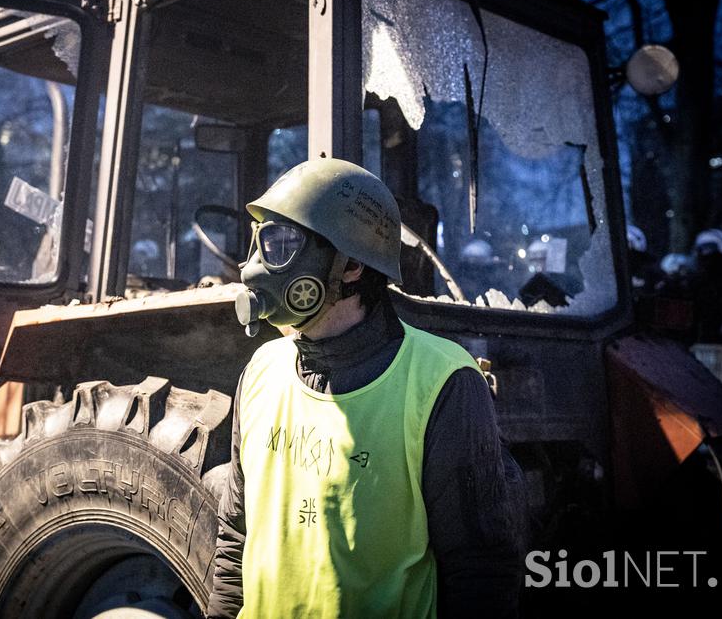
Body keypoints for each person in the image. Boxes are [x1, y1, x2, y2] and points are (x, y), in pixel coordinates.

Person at [209, 159, 524, 618]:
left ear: (351, 264)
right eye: (260, 242)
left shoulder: (442, 383)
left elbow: (481, 570)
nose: (254, 267)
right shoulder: (262, 372)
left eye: (281, 245)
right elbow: (235, 541)